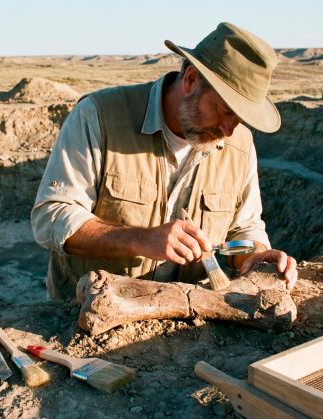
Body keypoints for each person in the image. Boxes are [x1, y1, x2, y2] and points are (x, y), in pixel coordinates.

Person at [31, 22, 298, 299]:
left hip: (185, 319)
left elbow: (244, 227)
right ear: (191, 79)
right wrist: (141, 239)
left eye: (239, 118)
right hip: (85, 313)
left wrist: (255, 255)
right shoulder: (98, 117)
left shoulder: (239, 143)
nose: (228, 130)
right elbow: (51, 217)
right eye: (223, 110)